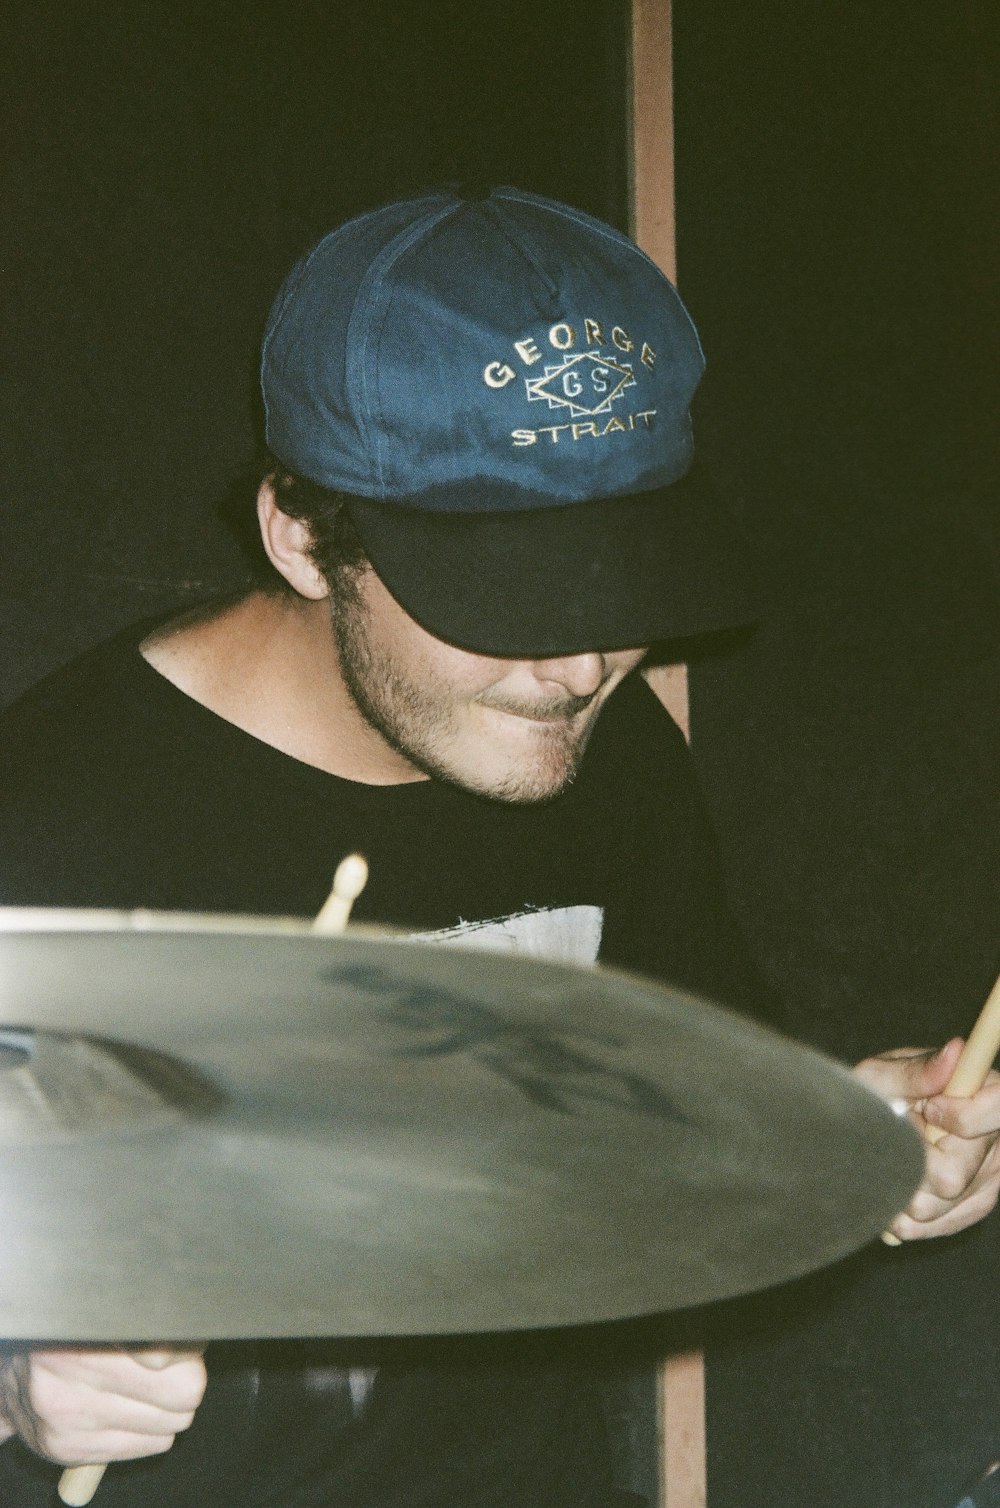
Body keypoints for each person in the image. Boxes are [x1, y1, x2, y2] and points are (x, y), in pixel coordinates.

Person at [0, 186, 996, 1508]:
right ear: (303, 535)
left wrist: (851, 1135)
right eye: (507, 598)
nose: (579, 666)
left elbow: (678, 1115)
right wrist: (16, 1379)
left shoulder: (607, 756)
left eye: (616, 580)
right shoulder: (49, 821)